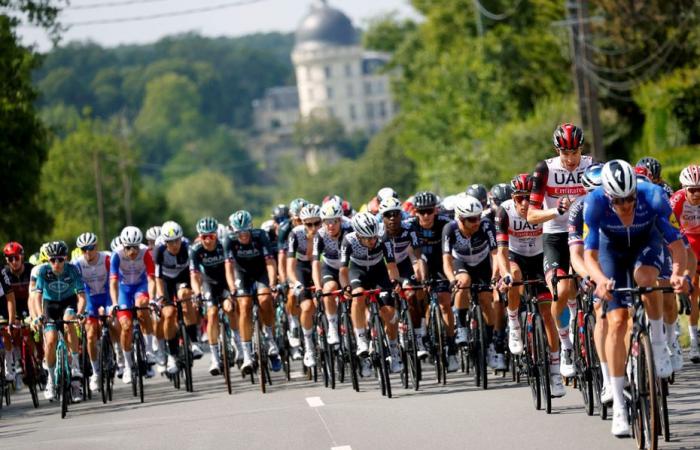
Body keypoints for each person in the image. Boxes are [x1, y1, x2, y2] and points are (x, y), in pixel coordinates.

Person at [584, 160, 687, 436]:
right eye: (618, 201)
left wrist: (678, 273)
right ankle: (619, 404)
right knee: (616, 322)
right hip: (611, 250)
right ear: (607, 196)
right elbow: (589, 256)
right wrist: (600, 280)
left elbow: (677, 244)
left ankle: (658, 343)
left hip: (645, 243)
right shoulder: (594, 204)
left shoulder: (653, 196)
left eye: (630, 198)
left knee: (646, 280)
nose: (626, 205)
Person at [528, 123, 593, 378]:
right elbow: (532, 216)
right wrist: (557, 211)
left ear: (581, 149)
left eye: (574, 152)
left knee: (592, 286)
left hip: (585, 233)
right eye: (565, 153)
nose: (570, 159)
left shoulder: (592, 165)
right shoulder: (545, 169)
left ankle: (587, 331)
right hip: (555, 235)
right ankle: (566, 346)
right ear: (557, 151)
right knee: (562, 289)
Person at [497, 175, 560, 394]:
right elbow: (501, 252)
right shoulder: (504, 212)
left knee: (548, 315)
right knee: (514, 276)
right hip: (516, 256)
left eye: (528, 198)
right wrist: (504, 274)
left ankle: (554, 368)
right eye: (519, 198)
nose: (524, 203)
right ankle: (514, 321)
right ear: (512, 199)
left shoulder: (544, 207)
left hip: (541, 256)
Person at [339, 212, 403, 375]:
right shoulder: (349, 240)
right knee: (358, 295)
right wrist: (346, 287)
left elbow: (391, 265)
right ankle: (361, 338)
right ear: (358, 235)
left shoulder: (383, 236)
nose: (372, 241)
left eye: (374, 237)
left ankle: (394, 349)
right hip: (357, 271)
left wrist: (395, 281)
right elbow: (343, 270)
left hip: (378, 271)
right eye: (367, 238)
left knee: (389, 312)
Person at [443, 195, 502, 369]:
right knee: (464, 281)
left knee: (486, 300)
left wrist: (494, 276)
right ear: (460, 219)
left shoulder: (486, 225)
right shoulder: (450, 229)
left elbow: (495, 254)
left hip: (482, 263)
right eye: (471, 219)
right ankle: (461, 327)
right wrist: (452, 280)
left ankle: (491, 345)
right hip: (460, 262)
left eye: (478, 217)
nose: (477, 221)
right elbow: (446, 261)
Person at [406, 191, 457, 371]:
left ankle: (451, 348)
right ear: (415, 212)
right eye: (422, 212)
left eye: (429, 211)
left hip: (441, 262)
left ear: (435, 210)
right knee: (418, 294)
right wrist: (420, 273)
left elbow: (449, 254)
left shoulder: (445, 223)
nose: (426, 215)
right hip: (420, 261)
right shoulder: (410, 226)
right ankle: (422, 331)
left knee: (444, 301)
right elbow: (413, 252)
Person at [225, 210, 279, 374]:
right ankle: (247, 354)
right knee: (244, 304)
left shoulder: (260, 236)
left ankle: (270, 339)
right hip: (241, 274)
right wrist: (232, 288)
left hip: (261, 272)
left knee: (265, 300)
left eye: (245, 231)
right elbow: (228, 268)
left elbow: (270, 262)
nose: (243, 235)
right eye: (238, 232)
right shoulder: (228, 240)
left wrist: (272, 284)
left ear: (251, 228)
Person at [34, 241, 86, 402]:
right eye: (52, 260)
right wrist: (38, 315)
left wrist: (79, 313)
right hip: (50, 306)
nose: (56, 263)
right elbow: (37, 296)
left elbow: (81, 296)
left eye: (60, 260)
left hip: (68, 303)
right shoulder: (43, 271)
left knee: (69, 321)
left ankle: (75, 367)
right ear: (48, 260)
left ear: (66, 258)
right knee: (50, 341)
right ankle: (50, 378)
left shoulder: (73, 270)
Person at [190, 217, 241, 376]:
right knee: (211, 314)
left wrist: (233, 288)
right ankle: (214, 357)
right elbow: (194, 275)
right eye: (204, 237)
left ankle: (238, 343)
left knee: (229, 308)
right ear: (199, 236)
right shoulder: (195, 250)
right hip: (209, 284)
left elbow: (232, 268)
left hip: (225, 282)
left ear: (216, 236)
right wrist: (197, 293)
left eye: (211, 236)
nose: (207, 240)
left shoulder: (223, 246)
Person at [378, 197, 428, 358]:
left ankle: (419, 337)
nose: (392, 218)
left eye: (395, 214)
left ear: (401, 215)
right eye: (388, 215)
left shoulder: (409, 229)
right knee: (385, 303)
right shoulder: (379, 233)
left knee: (412, 294)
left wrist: (422, 278)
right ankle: (379, 336)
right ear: (382, 217)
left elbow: (418, 255)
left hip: (404, 264)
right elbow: (389, 265)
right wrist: (394, 282)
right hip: (383, 267)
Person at [109, 226, 156, 384]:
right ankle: (128, 366)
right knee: (126, 326)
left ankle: (149, 351)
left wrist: (153, 298)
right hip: (124, 290)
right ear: (123, 246)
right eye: (129, 247)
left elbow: (151, 279)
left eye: (135, 247)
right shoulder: (116, 255)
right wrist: (115, 303)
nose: (133, 251)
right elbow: (113, 282)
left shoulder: (145, 252)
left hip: (141, 286)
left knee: (143, 306)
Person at [73, 232, 118, 393]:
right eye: (83, 249)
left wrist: (113, 304)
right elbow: (78, 290)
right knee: (91, 334)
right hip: (89, 298)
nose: (87, 252)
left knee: (115, 322)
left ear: (96, 247)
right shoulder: (77, 264)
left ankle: (118, 353)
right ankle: (96, 373)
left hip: (106, 295)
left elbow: (114, 281)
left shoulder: (107, 258)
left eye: (90, 248)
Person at [670, 164, 700, 362]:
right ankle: (694, 342)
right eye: (692, 190)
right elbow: (668, 229)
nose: (696, 194)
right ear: (683, 188)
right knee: (694, 291)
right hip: (686, 241)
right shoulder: (677, 200)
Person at [287, 204, 323, 367]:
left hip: (321, 266)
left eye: (317, 223)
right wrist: (296, 283)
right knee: (307, 307)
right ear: (302, 223)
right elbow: (289, 265)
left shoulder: (325, 233)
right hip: (302, 268)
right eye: (309, 224)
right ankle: (308, 347)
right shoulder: (295, 234)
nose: (314, 228)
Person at [311, 201, 351, 346]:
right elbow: (315, 262)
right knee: (329, 289)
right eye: (326, 222)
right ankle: (333, 326)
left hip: (348, 266)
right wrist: (317, 287)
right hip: (329, 267)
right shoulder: (320, 235)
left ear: (340, 220)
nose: (330, 225)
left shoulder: (350, 228)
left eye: (334, 221)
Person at [2, 242, 34, 383]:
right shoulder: (6, 273)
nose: (14, 262)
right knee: (12, 329)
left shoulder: (31, 270)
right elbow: (8, 300)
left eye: (16, 257)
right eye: (10, 259)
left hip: (30, 304)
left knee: (33, 330)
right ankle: (17, 358)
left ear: (22, 256)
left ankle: (40, 357)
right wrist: (12, 318)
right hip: (13, 307)